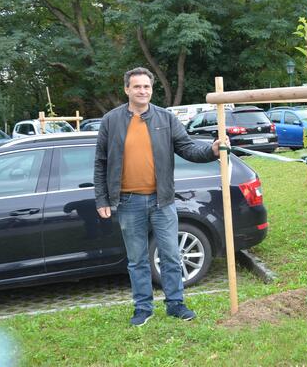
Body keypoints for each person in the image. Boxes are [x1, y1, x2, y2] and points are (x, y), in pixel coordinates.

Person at [94, 67, 226, 326]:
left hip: (162, 200)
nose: (142, 91)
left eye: (146, 87)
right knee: (137, 260)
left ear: (151, 90)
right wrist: (102, 199)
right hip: (128, 201)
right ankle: (143, 308)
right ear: (127, 89)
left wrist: (211, 151)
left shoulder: (165, 119)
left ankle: (175, 304)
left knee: (170, 255)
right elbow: (101, 162)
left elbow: (188, 149)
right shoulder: (111, 120)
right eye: (137, 87)